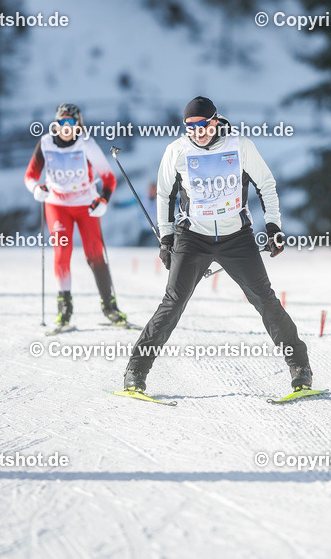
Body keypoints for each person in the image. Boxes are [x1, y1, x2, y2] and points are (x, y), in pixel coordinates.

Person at [123, 96, 311, 394]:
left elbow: (266, 184)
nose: (197, 132)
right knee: (172, 303)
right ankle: (136, 370)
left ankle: (300, 367)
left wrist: (273, 225)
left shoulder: (240, 145)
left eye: (202, 125)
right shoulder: (177, 150)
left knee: (264, 299)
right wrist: (167, 236)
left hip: (236, 237)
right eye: (190, 127)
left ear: (215, 120)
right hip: (193, 237)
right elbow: (164, 195)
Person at [24, 103, 132, 332]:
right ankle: (64, 308)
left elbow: (109, 179)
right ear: (56, 123)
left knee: (95, 255)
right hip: (57, 205)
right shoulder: (45, 143)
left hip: (85, 206)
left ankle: (109, 307)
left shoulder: (87, 144)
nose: (66, 127)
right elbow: (30, 176)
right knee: (62, 252)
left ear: (78, 124)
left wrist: (103, 201)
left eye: (71, 123)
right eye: (62, 123)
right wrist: (36, 189)